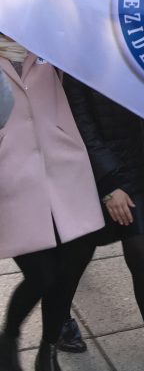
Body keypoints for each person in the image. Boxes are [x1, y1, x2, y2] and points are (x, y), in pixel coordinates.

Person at [61, 74, 144, 371]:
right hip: (93, 178)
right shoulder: (75, 60)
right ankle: (61, 320)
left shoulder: (132, 51)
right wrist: (108, 186)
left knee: (141, 255)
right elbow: (82, 126)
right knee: (78, 256)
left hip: (136, 169)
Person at [0, 38, 103, 371]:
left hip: (66, 173)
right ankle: (9, 337)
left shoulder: (46, 43)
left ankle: (48, 350)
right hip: (13, 182)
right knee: (42, 274)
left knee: (67, 271)